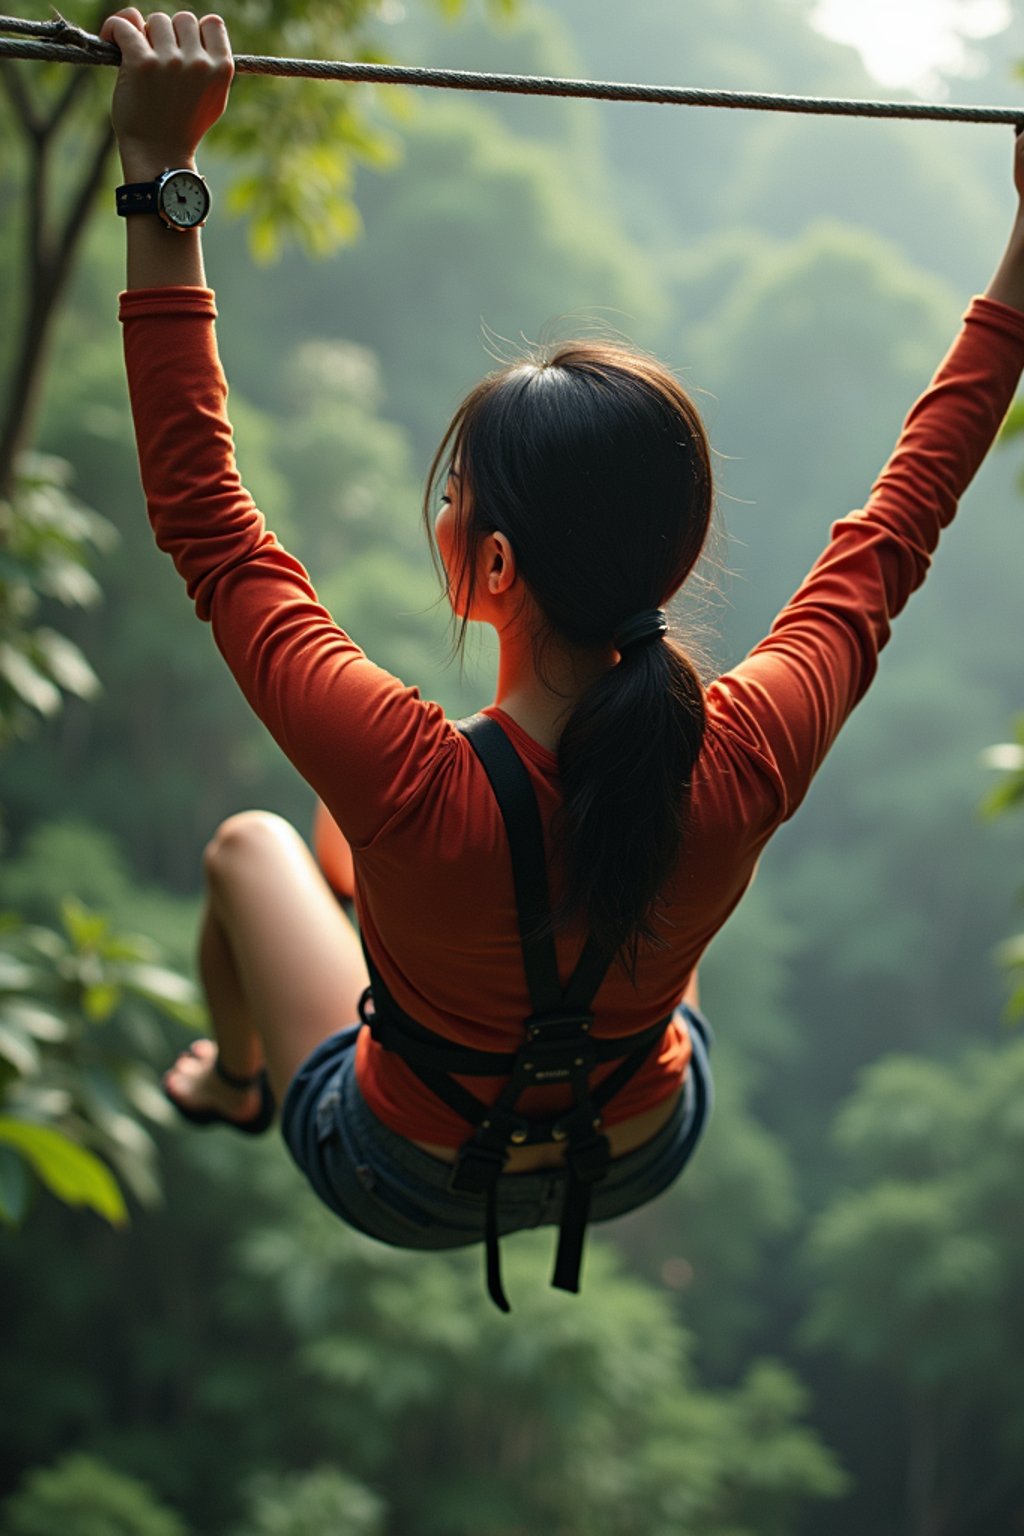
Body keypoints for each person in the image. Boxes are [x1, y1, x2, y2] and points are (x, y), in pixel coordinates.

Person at [102, 8, 1024, 1309]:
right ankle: (391, 958)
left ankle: (235, 1080)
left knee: (255, 846)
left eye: (451, 498)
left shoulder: (410, 780)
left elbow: (206, 517)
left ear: (491, 569)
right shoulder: (745, 751)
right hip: (635, 1144)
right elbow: (904, 517)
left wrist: (157, 171)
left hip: (403, 1170)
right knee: (619, 825)